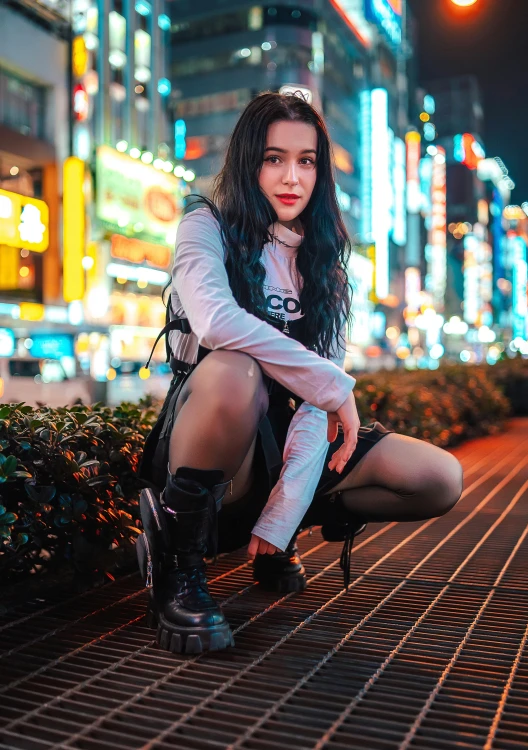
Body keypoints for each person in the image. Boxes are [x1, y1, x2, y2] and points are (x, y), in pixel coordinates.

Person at [136, 91, 463, 656]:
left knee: (438, 478)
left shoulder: (325, 262)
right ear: (247, 161)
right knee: (237, 371)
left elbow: (315, 402)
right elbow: (216, 323)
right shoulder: (204, 226)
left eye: (306, 160)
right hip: (219, 439)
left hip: (290, 444)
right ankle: (177, 561)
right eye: (273, 158)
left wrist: (284, 513)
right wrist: (335, 386)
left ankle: (274, 535)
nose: (292, 177)